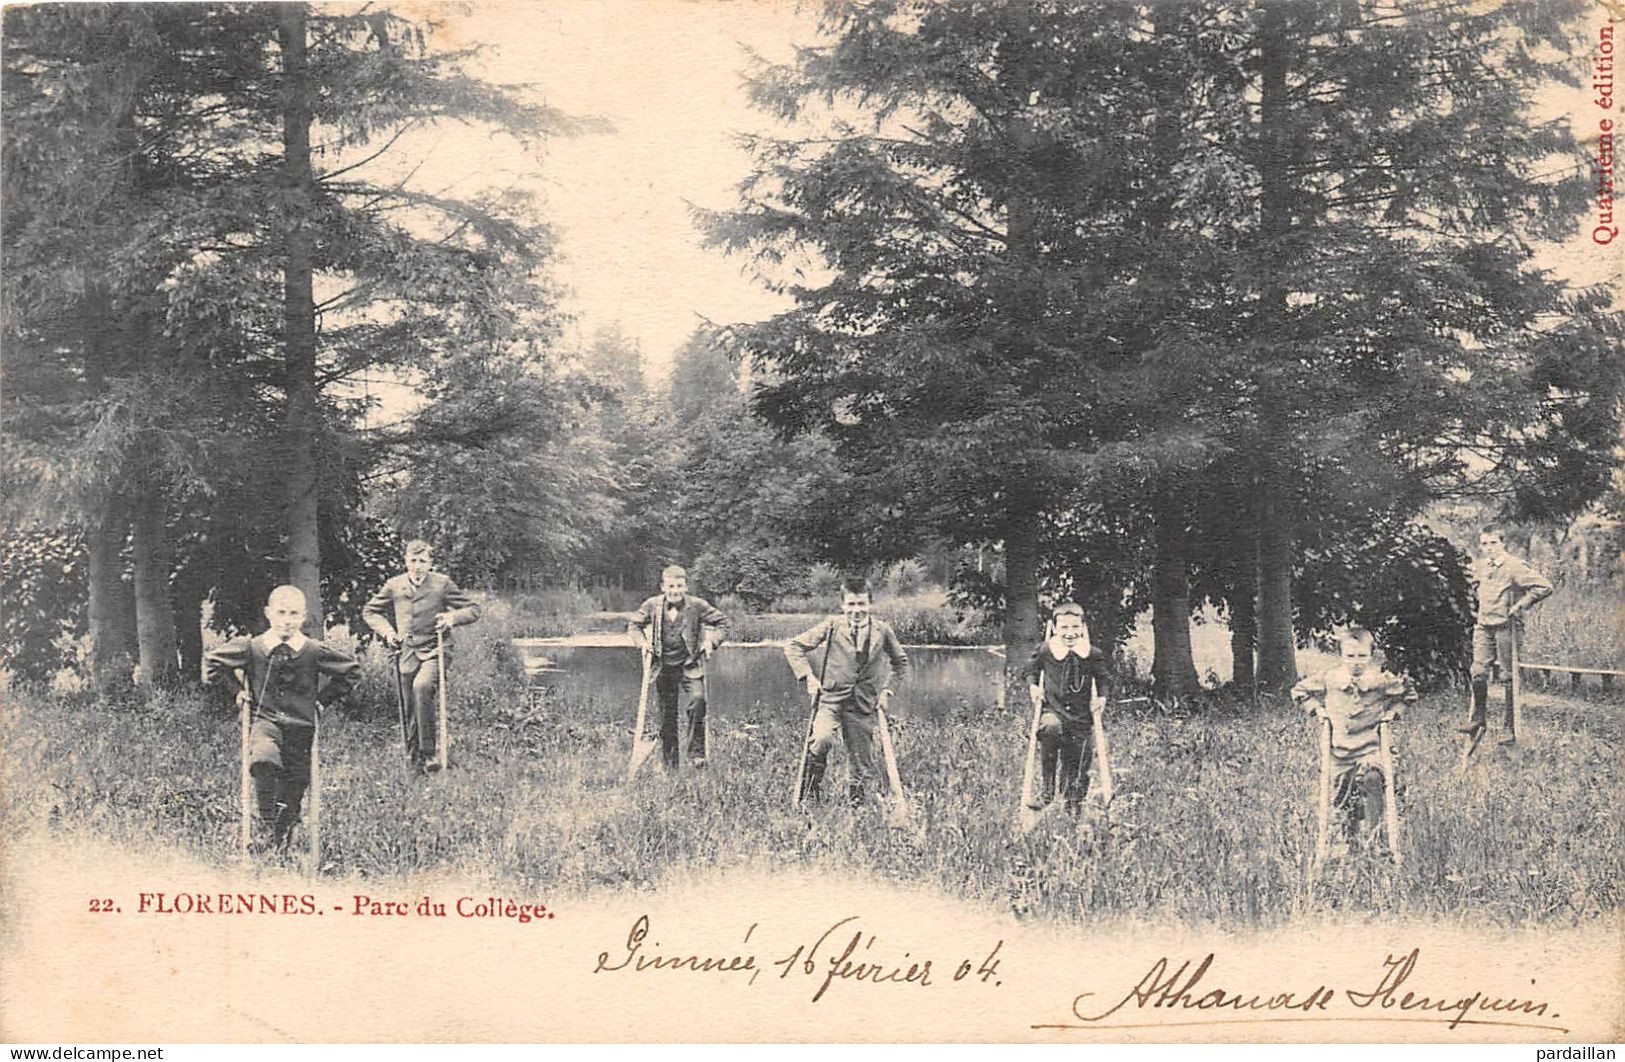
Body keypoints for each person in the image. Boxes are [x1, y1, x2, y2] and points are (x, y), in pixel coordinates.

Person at [205, 585, 360, 852]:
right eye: (281, 613)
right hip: (265, 721)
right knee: (263, 758)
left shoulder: (312, 650)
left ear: (303, 617)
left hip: (300, 727)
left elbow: (351, 672)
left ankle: (279, 843)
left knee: (293, 789)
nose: (287, 620)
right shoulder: (253, 647)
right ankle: (265, 826)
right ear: (269, 614)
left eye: (293, 614)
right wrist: (238, 692)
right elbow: (214, 663)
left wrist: (322, 700)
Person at [1291, 627, 1416, 857]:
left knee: (1373, 778)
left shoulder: (1380, 679)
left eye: (1362, 656)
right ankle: (1352, 843)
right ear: (1341, 655)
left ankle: (1375, 838)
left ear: (1371, 656)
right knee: (1342, 800)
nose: (1356, 662)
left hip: (1371, 747)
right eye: (1350, 656)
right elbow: (1299, 691)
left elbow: (1408, 694)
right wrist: (1318, 710)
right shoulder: (1330, 678)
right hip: (1341, 750)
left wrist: (1392, 714)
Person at [785, 577, 910, 805]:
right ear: (843, 605)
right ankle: (810, 795)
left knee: (862, 763)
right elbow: (794, 646)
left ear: (870, 604)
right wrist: (808, 678)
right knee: (821, 739)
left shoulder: (882, 631)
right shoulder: (832, 625)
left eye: (861, 604)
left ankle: (857, 808)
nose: (856, 610)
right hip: (831, 700)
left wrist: (887, 691)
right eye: (851, 605)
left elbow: (900, 662)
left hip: (862, 705)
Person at [363, 540, 482, 771]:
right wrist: (388, 632)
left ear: (430, 563)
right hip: (406, 652)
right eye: (413, 561)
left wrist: (451, 618)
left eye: (422, 561)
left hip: (436, 649)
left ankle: (429, 754)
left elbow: (473, 609)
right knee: (409, 706)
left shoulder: (442, 584)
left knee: (422, 687)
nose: (417, 566)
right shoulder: (394, 585)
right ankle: (413, 759)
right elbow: (370, 611)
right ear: (405, 561)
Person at [626, 565, 730, 769]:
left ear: (686, 586)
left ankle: (696, 754)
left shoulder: (697, 605)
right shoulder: (652, 605)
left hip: (689, 665)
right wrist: (643, 643)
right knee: (667, 716)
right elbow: (634, 625)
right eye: (671, 586)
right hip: (663, 667)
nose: (675, 590)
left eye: (679, 586)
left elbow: (723, 623)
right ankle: (670, 766)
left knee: (698, 701)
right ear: (663, 586)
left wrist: (710, 642)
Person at [1458, 525, 1552, 747]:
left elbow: (1544, 586)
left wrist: (1522, 604)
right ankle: (1479, 719)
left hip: (1506, 626)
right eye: (1484, 544)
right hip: (1484, 626)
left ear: (1503, 544)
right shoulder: (1480, 567)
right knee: (1478, 672)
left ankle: (1508, 728)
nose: (1489, 548)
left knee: (1508, 677)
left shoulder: (1514, 566)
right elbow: (1473, 589)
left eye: (1493, 543)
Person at [1023, 601, 1110, 816]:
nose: (1070, 633)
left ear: (1082, 627)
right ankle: (1047, 790)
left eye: (1074, 627)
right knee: (1050, 728)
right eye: (1064, 628)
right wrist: (1033, 686)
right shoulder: (1047, 650)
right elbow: (1030, 669)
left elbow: (1104, 678)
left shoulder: (1091, 653)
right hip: (1054, 710)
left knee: (1079, 759)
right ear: (1054, 628)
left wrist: (1102, 697)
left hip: (1081, 717)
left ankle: (1073, 801)